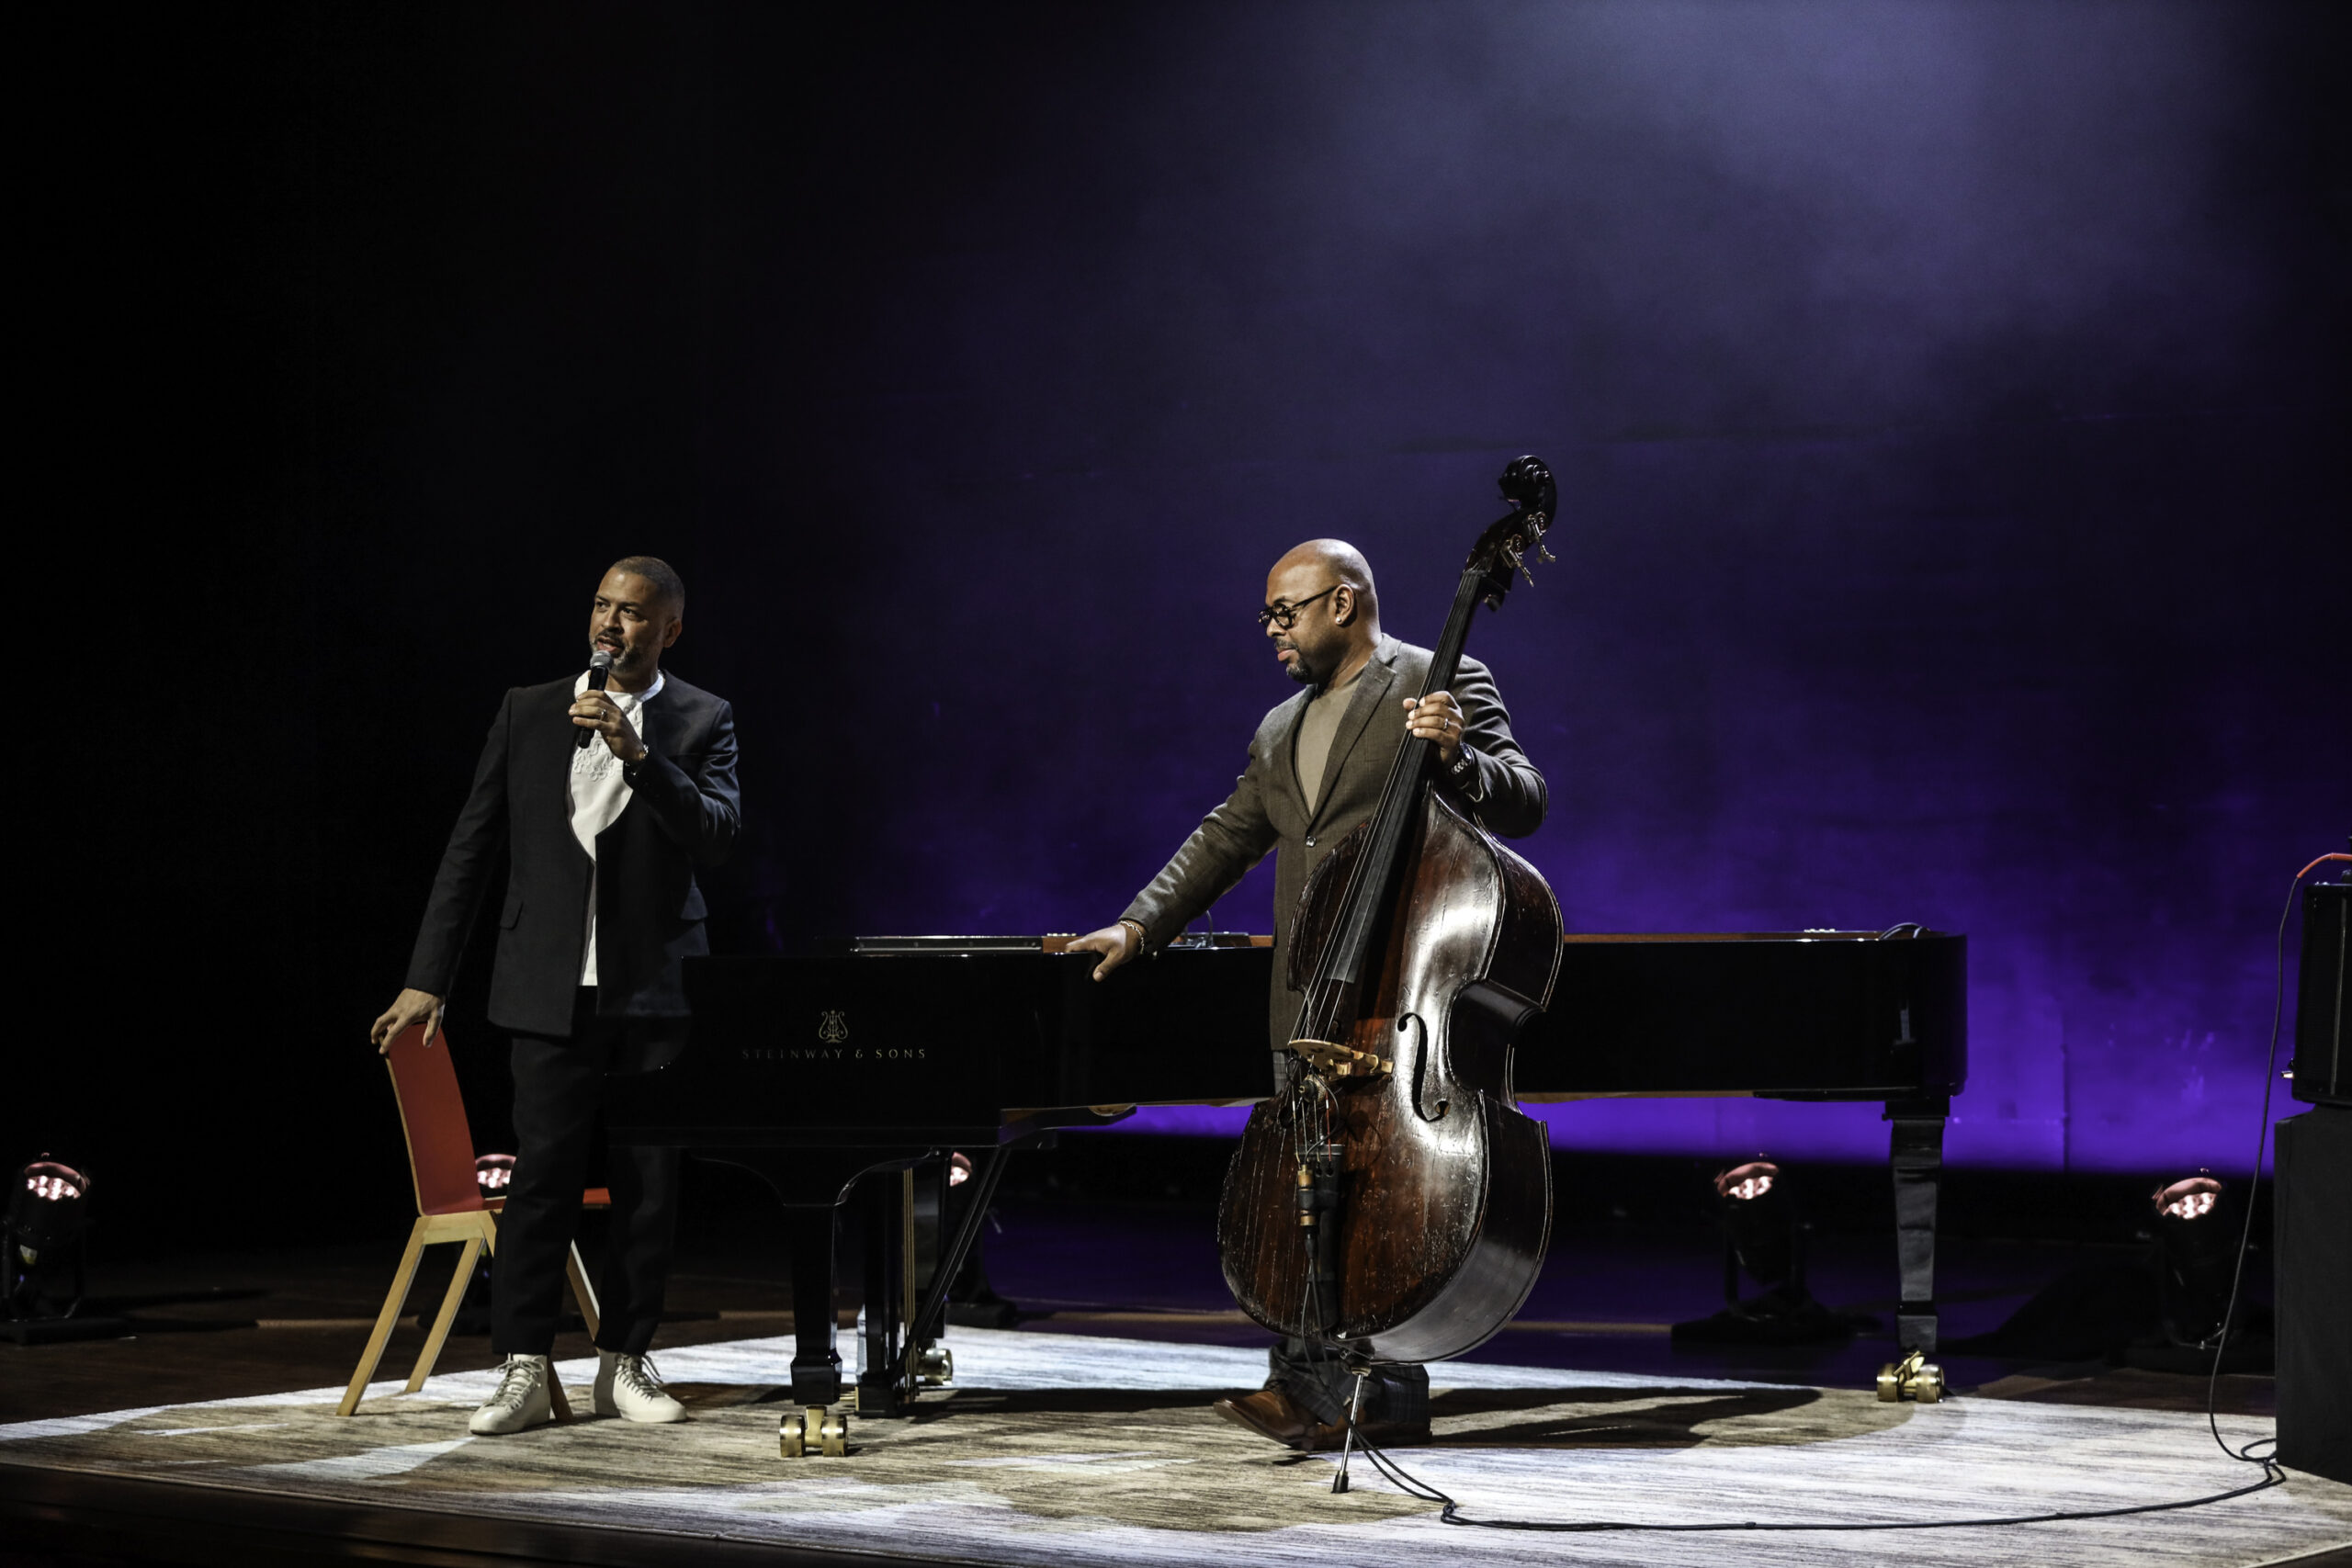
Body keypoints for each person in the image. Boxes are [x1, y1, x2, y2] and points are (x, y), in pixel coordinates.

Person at [1069, 538, 1547, 1452]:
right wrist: (1138, 925)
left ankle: (1384, 1389)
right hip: (1308, 992)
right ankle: (1299, 1382)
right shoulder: (1280, 725)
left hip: (1396, 987)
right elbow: (1227, 835)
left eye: (1283, 612)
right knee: (1306, 1184)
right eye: (1267, 616)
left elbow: (1524, 798)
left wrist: (1458, 758)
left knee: (1386, 1196)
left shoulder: (1438, 677)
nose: (1271, 630)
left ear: (1342, 602)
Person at [369, 556, 741, 1437]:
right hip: (546, 984)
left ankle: (625, 1361)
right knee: (543, 1178)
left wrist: (639, 755)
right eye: (603, 606)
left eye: (634, 613)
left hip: (654, 987)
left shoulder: (702, 717)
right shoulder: (528, 708)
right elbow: (472, 845)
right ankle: (523, 1368)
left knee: (649, 1183)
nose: (612, 624)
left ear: (669, 629)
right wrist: (428, 974)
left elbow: (718, 834)